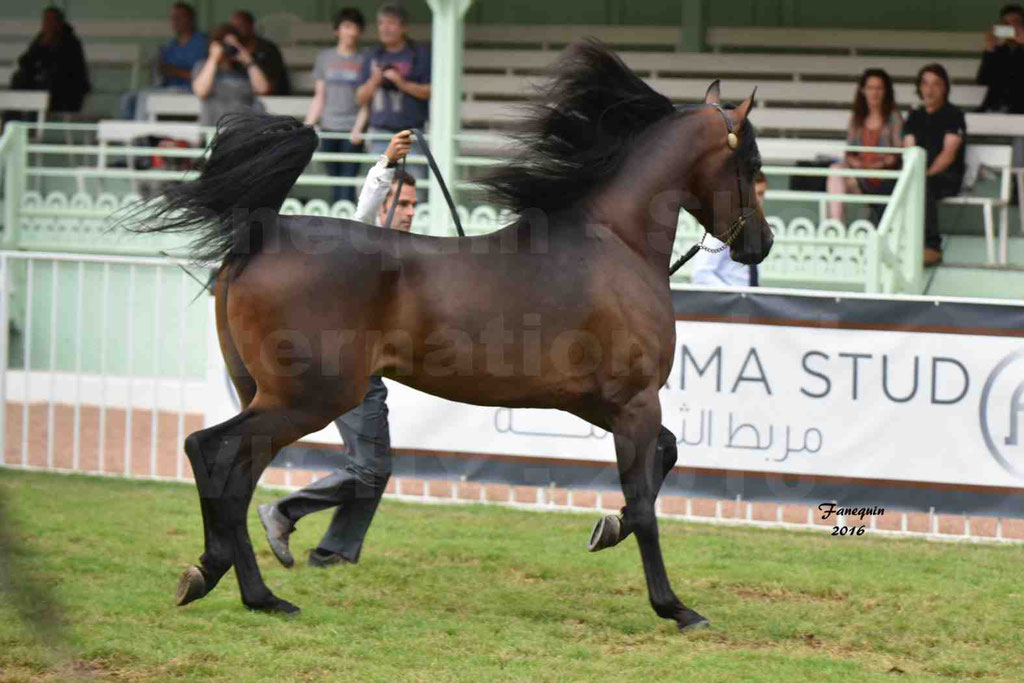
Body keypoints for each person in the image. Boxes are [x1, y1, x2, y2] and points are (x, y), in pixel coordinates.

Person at [258, 129, 416, 568]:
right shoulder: (361, 239)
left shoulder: (410, 249)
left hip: (370, 369)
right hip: (347, 367)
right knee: (371, 468)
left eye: (413, 207)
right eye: (402, 204)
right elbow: (364, 211)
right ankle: (284, 512)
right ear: (385, 205)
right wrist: (386, 164)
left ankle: (333, 552)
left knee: (373, 467)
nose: (408, 213)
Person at [354, 3, 431, 185]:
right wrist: (374, 81)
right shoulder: (372, 55)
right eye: (381, 23)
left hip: (411, 133)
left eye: (391, 23)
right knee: (377, 188)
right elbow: (359, 98)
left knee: (414, 187)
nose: (385, 28)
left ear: (403, 27)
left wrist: (401, 83)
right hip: (380, 132)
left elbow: (429, 91)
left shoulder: (419, 54)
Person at [903, 63, 966, 267]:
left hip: (947, 176)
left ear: (945, 87)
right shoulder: (914, 116)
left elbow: (948, 155)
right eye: (925, 84)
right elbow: (909, 150)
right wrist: (914, 175)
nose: (930, 89)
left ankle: (931, 247)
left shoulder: (954, 115)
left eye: (936, 84)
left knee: (923, 185)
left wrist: (924, 174)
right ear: (919, 87)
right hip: (919, 174)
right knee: (892, 186)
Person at [305, 8, 370, 204]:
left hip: (352, 129)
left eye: (355, 27)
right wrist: (308, 125)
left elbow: (367, 100)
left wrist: (359, 128)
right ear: (337, 30)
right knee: (335, 181)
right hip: (329, 127)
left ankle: (347, 223)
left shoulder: (365, 59)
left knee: (347, 183)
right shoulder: (325, 58)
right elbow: (319, 96)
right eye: (347, 26)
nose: (351, 32)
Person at [827, 69, 903, 223]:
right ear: (863, 91)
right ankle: (835, 226)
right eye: (870, 88)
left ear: (886, 91)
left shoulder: (894, 117)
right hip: (861, 179)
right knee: (835, 171)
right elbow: (849, 154)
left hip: (884, 179)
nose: (874, 93)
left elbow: (898, 155)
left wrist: (877, 165)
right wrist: (859, 165)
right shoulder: (857, 118)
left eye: (879, 88)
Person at [119, 2, 207, 121]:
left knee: (145, 98)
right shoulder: (171, 45)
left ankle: (140, 137)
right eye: (172, 18)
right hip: (168, 88)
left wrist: (173, 71)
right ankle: (128, 134)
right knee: (128, 98)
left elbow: (202, 78)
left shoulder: (201, 43)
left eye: (179, 17)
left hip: (189, 91)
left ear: (190, 19)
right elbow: (159, 76)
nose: (175, 21)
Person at [690, 171, 767, 286]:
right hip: (729, 301)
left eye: (760, 194)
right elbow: (700, 273)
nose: (757, 200)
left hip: (746, 299)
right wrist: (733, 296)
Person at [9, 7, 90, 115]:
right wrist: (41, 46)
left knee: (51, 84)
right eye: (46, 20)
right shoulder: (41, 39)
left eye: (52, 20)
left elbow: (67, 69)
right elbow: (25, 61)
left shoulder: (70, 42)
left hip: (65, 88)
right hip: (40, 85)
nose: (48, 24)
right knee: (19, 80)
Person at [191, 24, 270, 127]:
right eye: (226, 45)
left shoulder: (246, 69)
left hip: (244, 128)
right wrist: (213, 59)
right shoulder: (203, 66)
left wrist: (248, 60)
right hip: (214, 128)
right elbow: (201, 91)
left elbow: (262, 89)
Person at [978, 4, 1024, 170]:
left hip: (1020, 112)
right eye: (1007, 23)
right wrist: (991, 49)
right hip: (993, 108)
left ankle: (1016, 187)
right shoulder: (999, 51)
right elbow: (983, 79)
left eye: (1016, 23)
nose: (1011, 28)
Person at [229, 10, 291, 95]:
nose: (236, 30)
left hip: (272, 99)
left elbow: (270, 87)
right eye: (233, 27)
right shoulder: (231, 50)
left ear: (251, 25)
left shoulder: (268, 48)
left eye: (241, 26)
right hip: (241, 99)